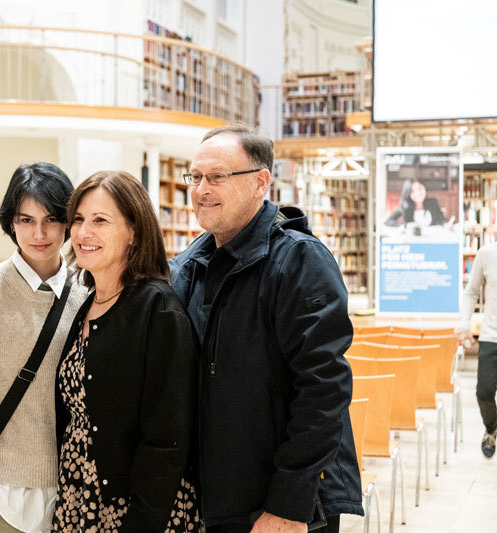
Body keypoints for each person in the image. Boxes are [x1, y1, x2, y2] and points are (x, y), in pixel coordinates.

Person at [168, 123, 363, 533]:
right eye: (195, 177)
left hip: (283, 506)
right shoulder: (188, 267)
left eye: (217, 177)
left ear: (260, 182)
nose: (201, 189)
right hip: (218, 497)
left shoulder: (299, 261)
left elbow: (323, 390)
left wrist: (290, 502)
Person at [53, 171, 200, 533]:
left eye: (100, 221)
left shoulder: (157, 308)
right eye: (79, 220)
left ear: (133, 232)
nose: (84, 232)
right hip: (78, 496)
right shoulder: (87, 304)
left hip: (136, 510)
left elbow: (168, 437)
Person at [0, 162, 87, 532]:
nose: (39, 232)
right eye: (25, 219)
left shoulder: (89, 292)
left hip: (74, 493)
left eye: (51, 219)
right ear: (11, 223)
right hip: (3, 494)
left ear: (68, 222)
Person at [457, 241, 497, 458]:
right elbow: (471, 292)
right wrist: (464, 323)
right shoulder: (487, 253)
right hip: (491, 335)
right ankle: (491, 428)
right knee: (484, 391)